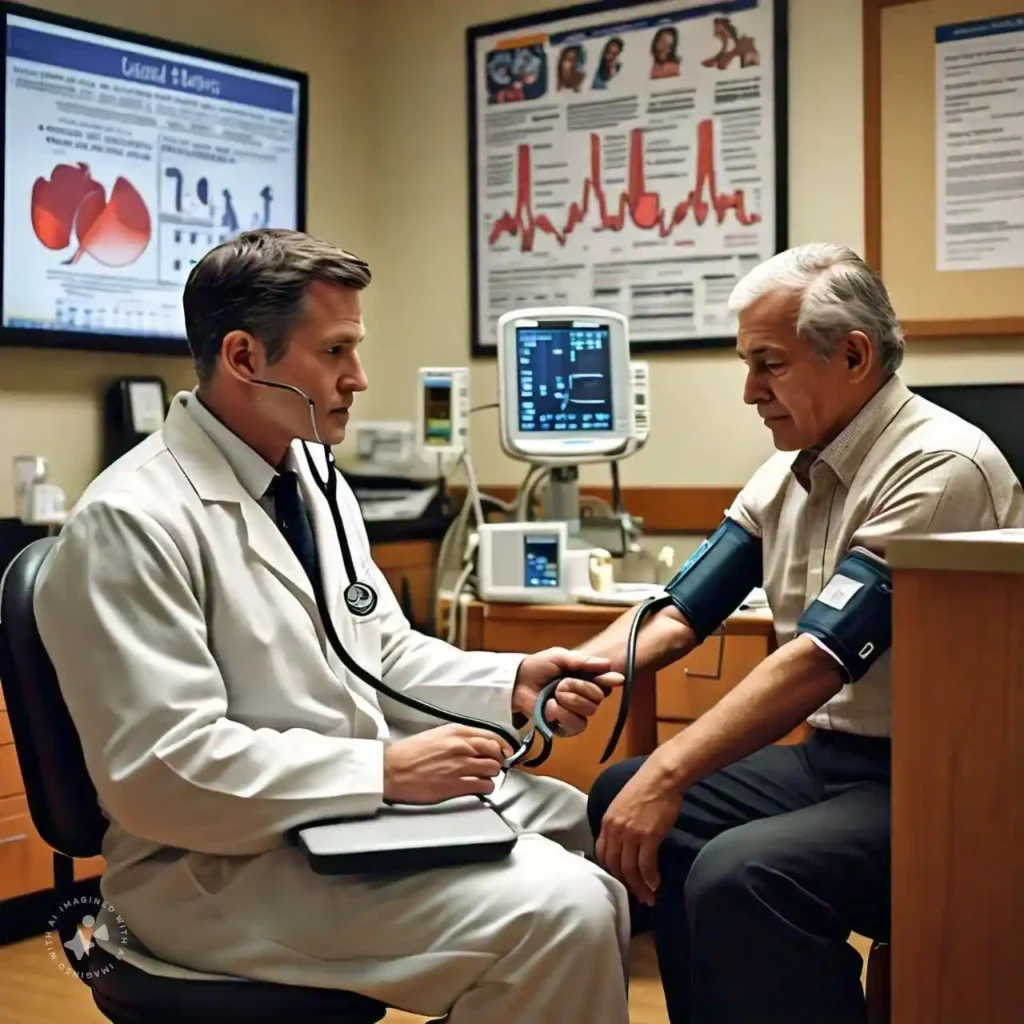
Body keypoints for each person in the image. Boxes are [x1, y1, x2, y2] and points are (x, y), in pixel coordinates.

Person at [33, 229, 632, 1024]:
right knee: (563, 912)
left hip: (337, 821)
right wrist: (382, 771)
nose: (358, 378)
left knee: (602, 836)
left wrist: (507, 682)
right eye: (335, 351)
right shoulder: (132, 520)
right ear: (245, 357)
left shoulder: (309, 474)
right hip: (211, 868)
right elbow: (164, 773)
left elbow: (376, 653)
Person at [583, 242, 1024, 1024]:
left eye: (769, 364)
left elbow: (822, 658)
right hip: (837, 759)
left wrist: (669, 771)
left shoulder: (940, 465)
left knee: (741, 871)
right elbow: (682, 611)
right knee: (624, 789)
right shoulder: (791, 464)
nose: (750, 391)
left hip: (944, 780)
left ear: (852, 355)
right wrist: (564, 669)